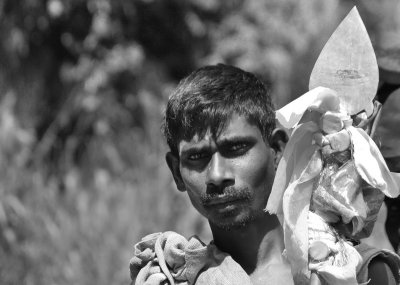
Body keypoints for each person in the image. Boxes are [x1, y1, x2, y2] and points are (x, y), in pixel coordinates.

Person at [130, 64, 400, 285]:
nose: (216, 175)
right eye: (197, 157)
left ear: (277, 148)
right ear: (177, 172)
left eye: (236, 149)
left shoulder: (356, 273)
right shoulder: (169, 277)